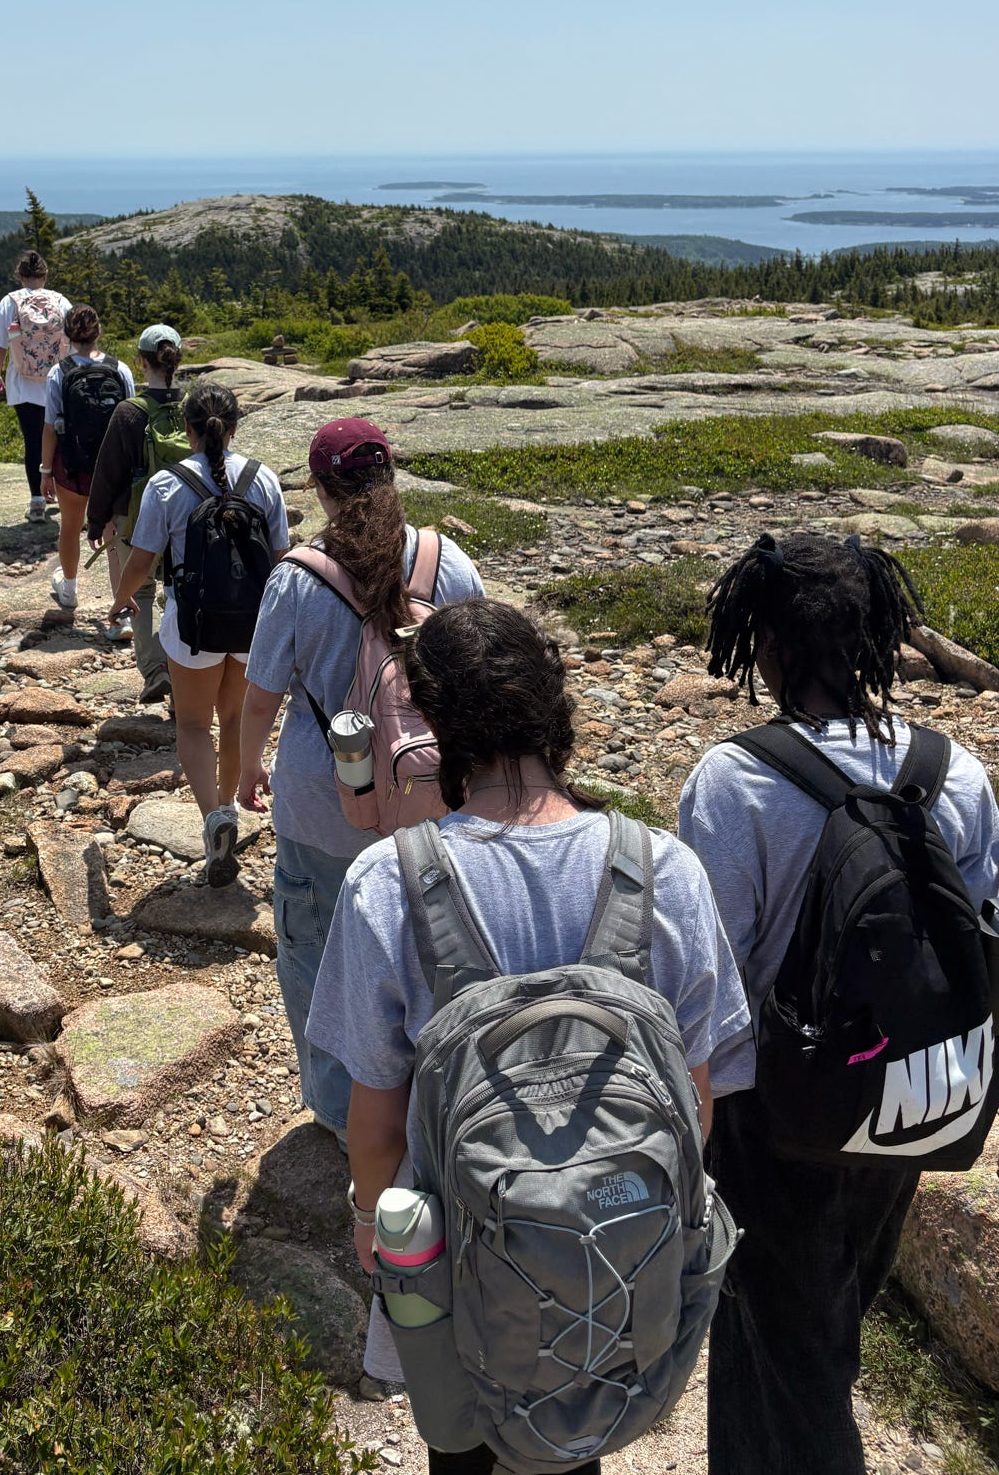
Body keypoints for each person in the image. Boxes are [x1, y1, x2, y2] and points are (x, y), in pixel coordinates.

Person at [308, 599, 749, 1475]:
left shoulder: (385, 885)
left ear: (434, 728)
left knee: (464, 1441)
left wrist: (372, 1222)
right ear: (556, 711)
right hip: (612, 1260)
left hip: (458, 1262)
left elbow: (378, 1122)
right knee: (575, 1428)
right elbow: (694, 1106)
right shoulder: (667, 870)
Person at [678, 531, 999, 1475]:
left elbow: (702, 986)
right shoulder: (958, 771)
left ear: (765, 646)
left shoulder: (733, 782)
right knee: (811, 1326)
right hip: (910, 1096)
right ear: (880, 639)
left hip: (771, 1119)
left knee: (798, 1359)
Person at [238, 418, 483, 1145]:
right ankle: (434, 1105)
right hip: (434, 804)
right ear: (390, 475)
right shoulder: (447, 561)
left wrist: (248, 768)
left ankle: (347, 1121)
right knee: (426, 955)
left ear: (318, 488)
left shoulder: (297, 577)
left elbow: (260, 695)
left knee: (316, 960)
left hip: (323, 808)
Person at [109, 383, 289, 884]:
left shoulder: (165, 486)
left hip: (192, 627)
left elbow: (141, 561)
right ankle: (230, 806)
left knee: (192, 726)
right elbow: (280, 562)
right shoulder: (265, 479)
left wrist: (121, 601)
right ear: (234, 428)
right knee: (233, 720)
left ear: (186, 429)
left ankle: (213, 817)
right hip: (251, 626)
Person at [86, 324, 184, 703]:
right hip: (184, 516)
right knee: (178, 591)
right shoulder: (191, 408)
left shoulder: (129, 412)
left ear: (141, 361)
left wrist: (97, 521)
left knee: (139, 591)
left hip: (135, 515)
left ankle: (155, 669)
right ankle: (184, 675)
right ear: (176, 360)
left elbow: (107, 472)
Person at [40, 305, 134, 628]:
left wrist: (45, 471)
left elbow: (50, 426)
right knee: (112, 535)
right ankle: (121, 613)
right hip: (113, 465)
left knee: (70, 525)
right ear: (99, 332)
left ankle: (68, 590)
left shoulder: (59, 373)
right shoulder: (120, 369)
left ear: (66, 335)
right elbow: (131, 419)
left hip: (72, 467)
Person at [0, 249, 71, 522]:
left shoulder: (9, 302)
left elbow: (0, 344)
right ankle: (63, 492)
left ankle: (37, 501)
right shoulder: (61, 301)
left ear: (19, 275)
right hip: (57, 381)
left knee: (33, 440)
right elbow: (71, 344)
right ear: (45, 275)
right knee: (59, 438)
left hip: (22, 382)